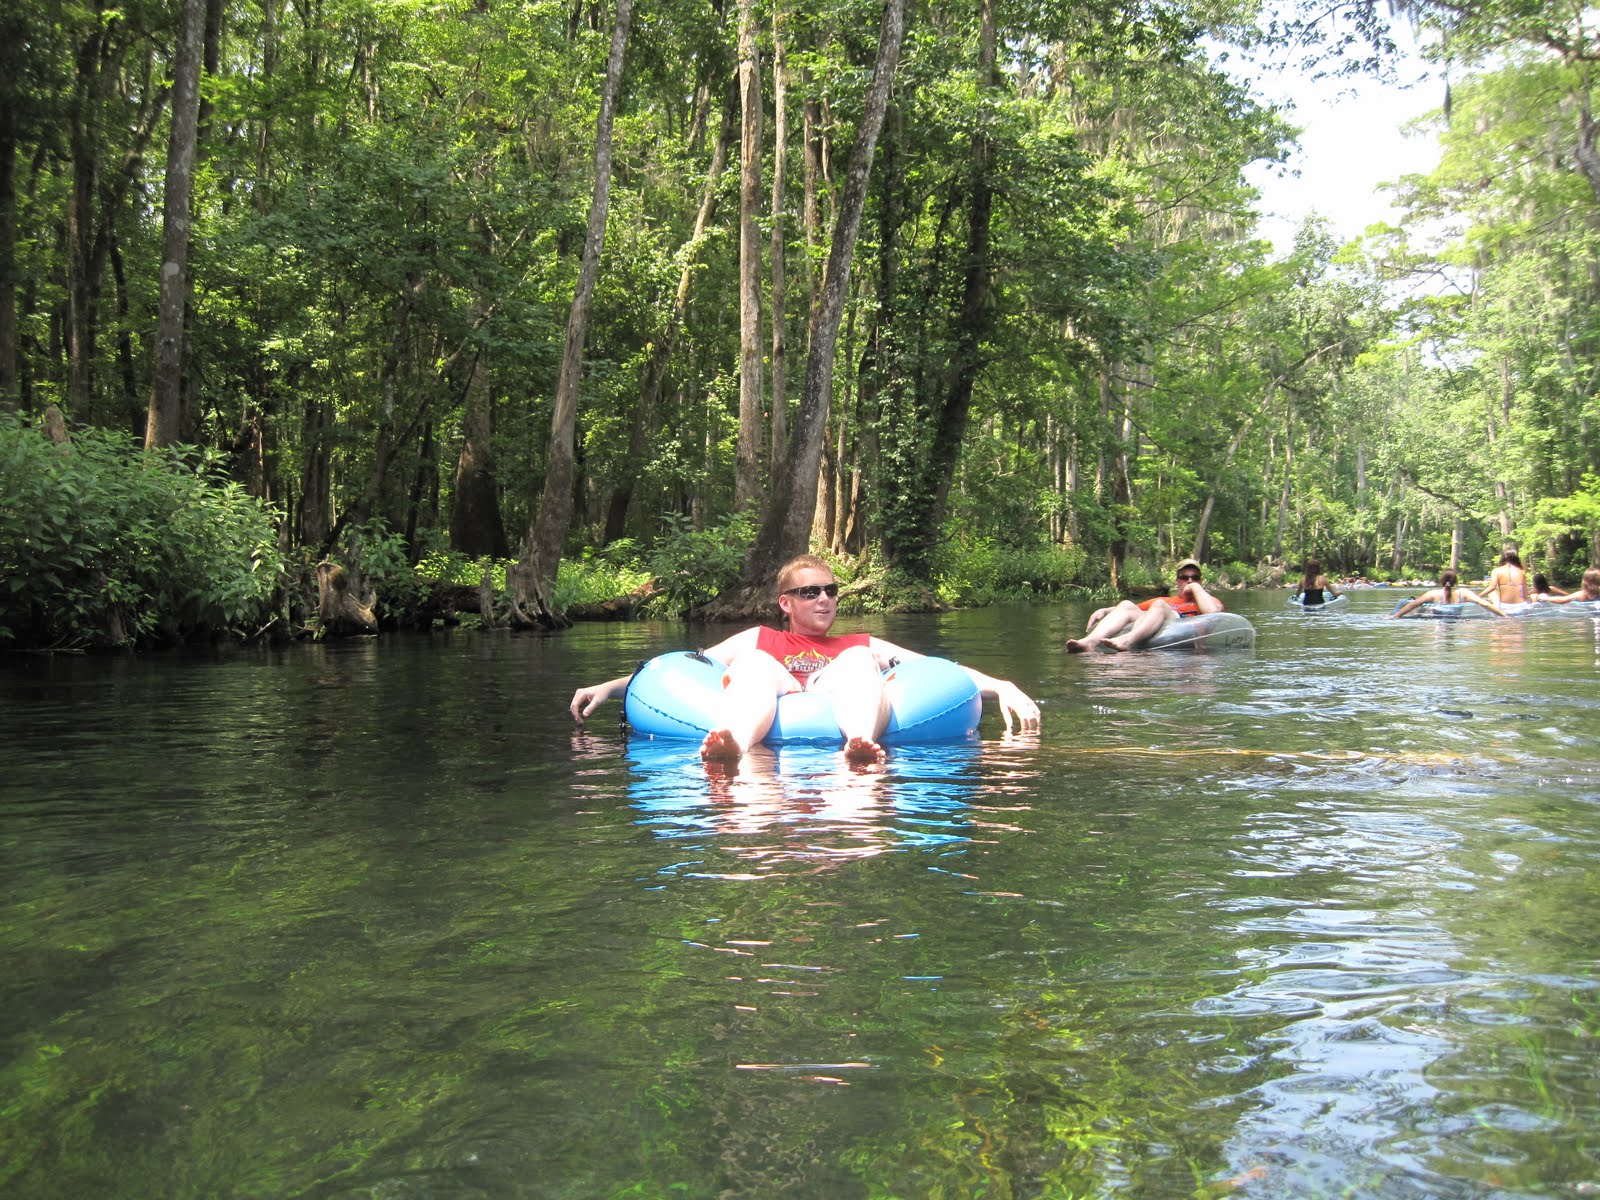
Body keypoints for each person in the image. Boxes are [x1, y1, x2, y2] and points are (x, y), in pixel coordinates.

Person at [568, 554, 1040, 764]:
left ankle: (859, 742)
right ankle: (735, 744)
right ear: (786, 602)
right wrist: (608, 688)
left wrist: (1002, 684)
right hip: (771, 688)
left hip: (839, 691)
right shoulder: (759, 638)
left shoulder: (861, 644)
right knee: (752, 665)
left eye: (831, 591)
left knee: (858, 662)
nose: (824, 599)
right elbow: (682, 667)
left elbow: (937, 669)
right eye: (809, 592)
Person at [1067, 558, 1224, 652]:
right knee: (1127, 604)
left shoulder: (1208, 600)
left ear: (1200, 580)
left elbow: (1213, 613)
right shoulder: (1165, 601)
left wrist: (1195, 588)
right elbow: (1133, 609)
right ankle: (1089, 642)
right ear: (1177, 581)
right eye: (1184, 577)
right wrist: (1104, 610)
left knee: (1159, 604)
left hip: (1184, 634)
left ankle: (1128, 640)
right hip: (1157, 624)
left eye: (1194, 577)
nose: (1189, 580)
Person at [1389, 568, 1508, 618]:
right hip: (1454, 620)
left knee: (1406, 602)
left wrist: (1395, 616)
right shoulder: (1464, 593)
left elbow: (1411, 605)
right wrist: (1504, 616)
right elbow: (1485, 604)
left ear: (1441, 581)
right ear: (1456, 581)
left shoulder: (1433, 594)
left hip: (1436, 621)